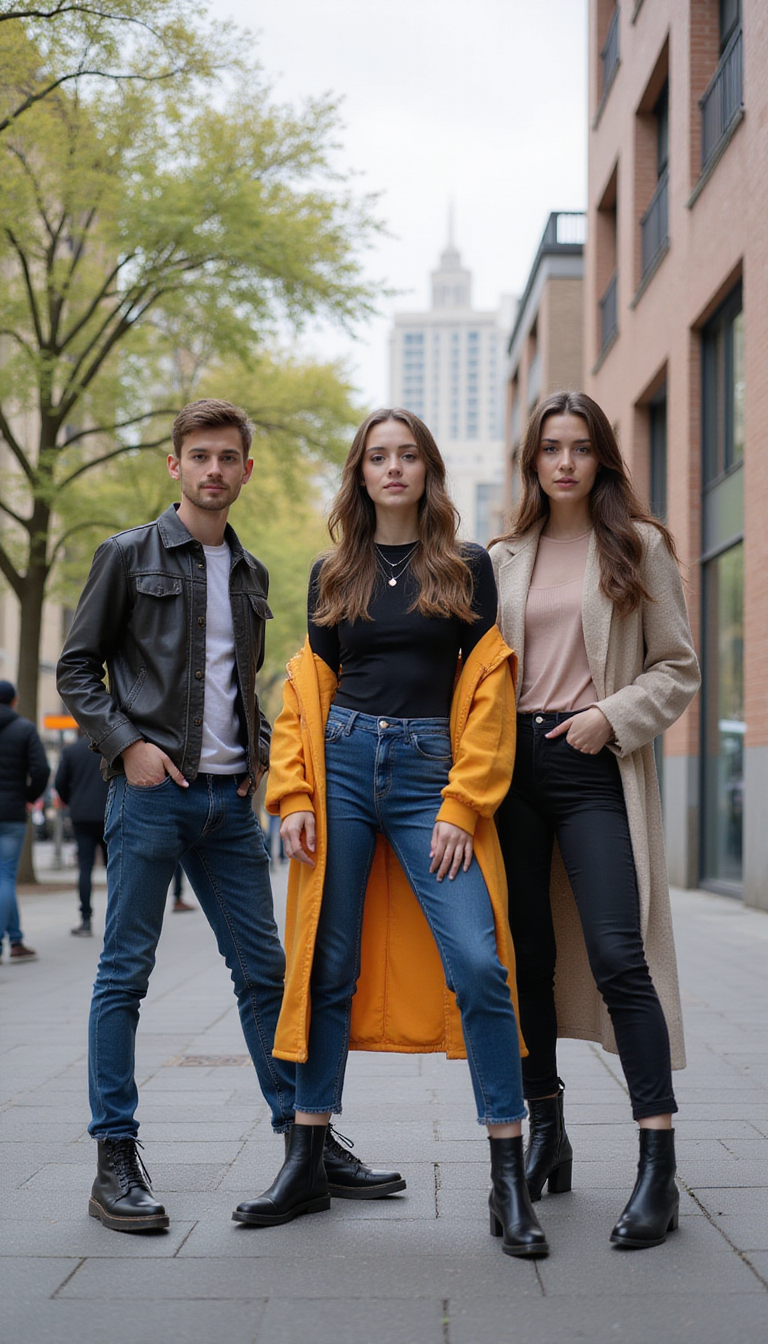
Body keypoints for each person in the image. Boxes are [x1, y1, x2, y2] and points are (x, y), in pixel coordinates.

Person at [57, 397, 398, 1235]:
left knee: (265, 976)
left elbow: (242, 685)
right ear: (175, 465)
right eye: (200, 456)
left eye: (228, 457)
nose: (214, 470)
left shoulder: (251, 574)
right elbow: (77, 670)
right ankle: (113, 1158)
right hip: (150, 796)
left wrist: (257, 762)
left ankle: (304, 1143)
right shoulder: (127, 554)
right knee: (124, 974)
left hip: (228, 805)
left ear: (246, 469)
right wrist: (128, 746)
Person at [233, 408, 548, 1260]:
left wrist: (462, 804)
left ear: (427, 470)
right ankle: (305, 1160)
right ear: (361, 473)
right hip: (340, 768)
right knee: (325, 964)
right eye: (379, 456)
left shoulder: (465, 566)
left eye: (408, 455)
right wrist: (294, 793)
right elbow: (308, 688)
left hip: (429, 775)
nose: (394, 468)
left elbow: (490, 688)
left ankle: (507, 1176)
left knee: (479, 963)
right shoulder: (333, 571)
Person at [490, 390, 700, 1250]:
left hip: (592, 762)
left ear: (602, 456)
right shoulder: (502, 556)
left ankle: (658, 1165)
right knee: (526, 960)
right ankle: (548, 1132)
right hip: (512, 771)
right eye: (551, 448)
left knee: (620, 952)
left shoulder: (638, 546)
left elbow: (677, 666)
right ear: (533, 461)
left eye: (580, 447)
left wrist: (610, 716)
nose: (565, 462)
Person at [0, 680, 49, 964]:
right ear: (14, 701)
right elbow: (41, 769)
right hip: (11, 813)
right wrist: (28, 797)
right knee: (6, 876)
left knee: (3, 878)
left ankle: (16, 939)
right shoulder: (24, 728)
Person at [54, 729, 109, 936]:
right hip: (108, 813)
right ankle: (119, 919)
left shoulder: (71, 751)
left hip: (81, 815)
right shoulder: (110, 748)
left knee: (85, 867)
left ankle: (86, 919)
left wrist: (72, 801)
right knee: (114, 868)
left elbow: (60, 783)